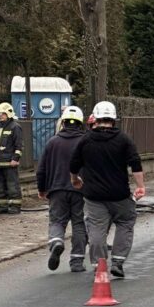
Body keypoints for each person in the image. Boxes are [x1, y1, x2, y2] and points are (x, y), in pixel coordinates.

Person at [69, 101, 145, 278]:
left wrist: (75, 179)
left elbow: (73, 163)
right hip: (119, 195)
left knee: (96, 229)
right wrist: (140, 186)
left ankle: (99, 264)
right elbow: (135, 163)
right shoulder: (123, 139)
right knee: (126, 222)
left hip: (94, 196)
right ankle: (118, 261)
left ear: (95, 118)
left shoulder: (85, 140)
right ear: (113, 119)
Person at [36, 106, 88, 272]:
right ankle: (77, 262)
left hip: (56, 189)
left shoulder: (52, 142)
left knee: (57, 220)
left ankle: (57, 241)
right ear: (81, 124)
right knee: (79, 224)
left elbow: (41, 169)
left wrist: (42, 189)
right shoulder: (86, 142)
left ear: (63, 123)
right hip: (80, 190)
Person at [0, 102, 24, 214]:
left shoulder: (15, 127)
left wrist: (15, 158)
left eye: (2, 113)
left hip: (9, 162)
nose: (0, 116)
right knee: (0, 185)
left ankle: (15, 206)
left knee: (12, 184)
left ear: (8, 114)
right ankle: (2, 206)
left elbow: (19, 145)